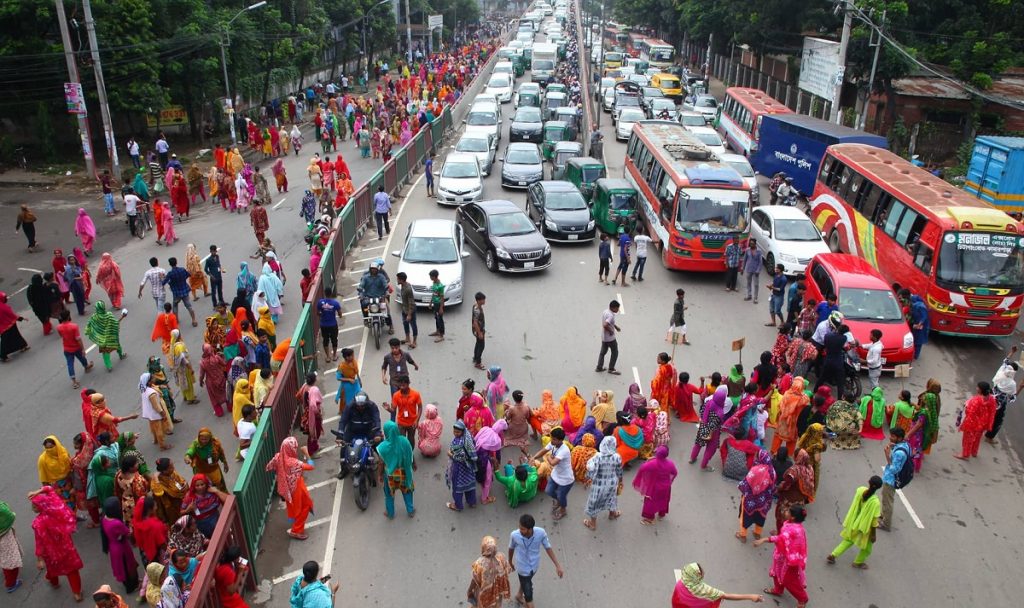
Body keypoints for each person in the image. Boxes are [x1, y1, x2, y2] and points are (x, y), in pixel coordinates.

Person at [29, 487, 84, 601]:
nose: (32, 508)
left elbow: (39, 542)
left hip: (51, 553)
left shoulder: (38, 523)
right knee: (72, 571)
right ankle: (77, 593)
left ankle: (54, 583)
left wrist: (39, 558)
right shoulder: (57, 511)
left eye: (34, 506)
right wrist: (38, 491)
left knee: (52, 568)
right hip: (66, 548)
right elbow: (50, 490)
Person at [753, 505, 809, 608]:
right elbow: (783, 538)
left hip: (791, 560)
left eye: (788, 511)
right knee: (776, 572)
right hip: (783, 555)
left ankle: (802, 598)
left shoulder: (793, 530)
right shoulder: (792, 524)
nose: (786, 511)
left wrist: (764, 540)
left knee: (789, 581)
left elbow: (780, 539)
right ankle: (778, 590)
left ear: (792, 517)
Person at [508, 513, 564, 608]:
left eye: (522, 529)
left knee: (526, 581)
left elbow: (548, 547)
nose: (520, 530)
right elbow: (511, 548)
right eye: (519, 527)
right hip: (522, 569)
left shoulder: (541, 533)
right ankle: (525, 599)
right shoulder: (514, 535)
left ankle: (519, 595)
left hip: (534, 566)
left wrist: (558, 565)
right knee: (529, 598)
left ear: (530, 529)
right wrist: (510, 562)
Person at [827, 476, 883, 569]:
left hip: (854, 521)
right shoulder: (875, 502)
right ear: (878, 488)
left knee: (849, 540)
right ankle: (858, 562)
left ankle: (833, 554)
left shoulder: (860, 490)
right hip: (863, 526)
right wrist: (873, 535)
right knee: (867, 548)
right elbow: (874, 521)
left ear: (868, 482)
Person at [266, 437, 315, 539]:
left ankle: (293, 521)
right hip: (296, 488)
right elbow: (311, 466)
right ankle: (296, 530)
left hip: (286, 489)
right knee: (305, 506)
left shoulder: (278, 457)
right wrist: (306, 453)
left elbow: (269, 467)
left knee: (293, 507)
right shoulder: (294, 462)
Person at [671, 562, 764, 607]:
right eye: (700, 572)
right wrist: (750, 596)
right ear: (696, 575)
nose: (703, 572)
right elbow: (726, 596)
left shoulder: (681, 582)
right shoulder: (704, 590)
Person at [376, 420, 416, 519]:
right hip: (404, 473)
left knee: (389, 494)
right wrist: (414, 463)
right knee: (407, 491)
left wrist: (380, 475)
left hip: (390, 476)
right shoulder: (404, 441)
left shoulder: (382, 447)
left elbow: (381, 463)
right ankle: (410, 510)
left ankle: (390, 513)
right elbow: (410, 453)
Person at [101, 496, 140, 595]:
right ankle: (133, 586)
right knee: (128, 567)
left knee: (122, 568)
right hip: (121, 547)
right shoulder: (116, 523)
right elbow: (127, 532)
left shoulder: (104, 519)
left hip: (113, 546)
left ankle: (130, 584)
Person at [633, 444, 678, 525]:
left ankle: (650, 519)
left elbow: (642, 468)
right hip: (666, 487)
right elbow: (675, 473)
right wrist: (669, 481)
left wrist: (649, 461)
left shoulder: (653, 463)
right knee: (664, 499)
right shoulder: (670, 463)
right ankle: (661, 514)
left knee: (650, 502)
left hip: (655, 487)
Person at [737, 450, 776, 542]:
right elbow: (773, 488)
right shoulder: (772, 472)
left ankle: (743, 535)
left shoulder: (755, 470)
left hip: (751, 500)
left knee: (745, 516)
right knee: (760, 516)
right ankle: (757, 533)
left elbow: (746, 483)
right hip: (763, 501)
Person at [954, 381, 997, 461]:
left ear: (980, 390)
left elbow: (970, 412)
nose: (976, 388)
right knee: (977, 438)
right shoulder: (991, 398)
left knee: (967, 439)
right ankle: (974, 452)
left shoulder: (977, 400)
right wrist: (989, 423)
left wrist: (966, 407)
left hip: (972, 422)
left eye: (977, 387)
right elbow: (992, 412)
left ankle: (965, 454)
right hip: (983, 422)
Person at [774, 449, 814, 534]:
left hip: (789, 499)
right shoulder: (809, 468)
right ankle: (788, 535)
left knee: (781, 517)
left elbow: (786, 485)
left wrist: (778, 488)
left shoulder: (794, 471)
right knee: (794, 519)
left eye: (795, 455)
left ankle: (780, 534)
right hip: (801, 499)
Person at [987, 347, 1021, 445]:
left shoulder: (1001, 371)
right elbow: (1012, 397)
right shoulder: (1012, 384)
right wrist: (1021, 387)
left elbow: (1005, 361)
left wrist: (1012, 352)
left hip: (990, 397)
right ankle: (989, 437)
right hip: (999, 405)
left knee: (986, 414)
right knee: (997, 421)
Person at [467, 535, 511, 608]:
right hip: (497, 592)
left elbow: (474, 580)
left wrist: (470, 590)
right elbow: (507, 571)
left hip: (484, 592)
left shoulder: (480, 563)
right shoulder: (501, 557)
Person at [691, 386, 728, 471]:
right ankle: (703, 466)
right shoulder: (720, 412)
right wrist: (710, 434)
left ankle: (692, 458)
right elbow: (714, 425)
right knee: (710, 449)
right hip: (713, 433)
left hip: (703, 427)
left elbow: (701, 412)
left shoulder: (708, 403)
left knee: (698, 444)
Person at [184, 428, 229, 493]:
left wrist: (225, 463)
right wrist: (187, 456)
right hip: (201, 471)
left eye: (206, 439)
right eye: (202, 439)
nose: (204, 441)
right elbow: (191, 450)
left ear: (210, 438)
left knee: (218, 485)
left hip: (214, 469)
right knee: (203, 487)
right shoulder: (196, 444)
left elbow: (221, 453)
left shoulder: (215, 443)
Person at [447, 420, 479, 511]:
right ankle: (472, 502)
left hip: (459, 468)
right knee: (469, 484)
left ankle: (458, 506)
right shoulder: (467, 437)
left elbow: (459, 458)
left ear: (462, 431)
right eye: (454, 431)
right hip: (469, 468)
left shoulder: (459, 443)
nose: (455, 434)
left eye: (458, 432)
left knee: (457, 487)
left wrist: (450, 454)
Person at [57, 310, 93, 388]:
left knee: (70, 364)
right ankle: (86, 367)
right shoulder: (74, 326)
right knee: (82, 357)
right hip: (76, 347)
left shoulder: (59, 327)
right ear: (68, 317)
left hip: (67, 349)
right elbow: (78, 339)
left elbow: (61, 336)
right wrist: (83, 349)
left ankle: (74, 381)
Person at [162, 257, 198, 327]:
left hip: (176, 293)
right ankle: (194, 320)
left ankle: (176, 320)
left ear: (170, 264)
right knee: (189, 306)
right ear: (176, 262)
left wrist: (164, 278)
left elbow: (164, 283)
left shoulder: (170, 274)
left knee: (175, 306)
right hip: (184, 291)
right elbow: (188, 275)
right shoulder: (182, 269)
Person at [0, 291, 29, 363]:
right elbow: (12, 315)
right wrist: (22, 318)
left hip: (3, 327)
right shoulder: (4, 307)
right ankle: (2, 355)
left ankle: (22, 346)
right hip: (8, 325)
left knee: (11, 338)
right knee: (9, 339)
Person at [0, 501, 22, 594]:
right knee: (10, 561)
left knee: (3, 557)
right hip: (4, 538)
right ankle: (11, 584)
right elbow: (9, 515)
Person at [596, 300, 621, 375]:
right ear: (613, 308)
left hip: (604, 337)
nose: (618, 310)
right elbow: (605, 325)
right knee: (615, 352)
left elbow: (609, 322)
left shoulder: (606, 311)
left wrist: (615, 327)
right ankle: (611, 368)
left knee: (602, 352)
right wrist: (611, 331)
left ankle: (599, 367)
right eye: (617, 308)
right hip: (610, 339)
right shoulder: (611, 315)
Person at [394, 272, 418, 349]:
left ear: (401, 280)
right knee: (405, 324)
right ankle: (407, 338)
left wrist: (409, 314)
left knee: (413, 325)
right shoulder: (403, 286)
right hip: (404, 309)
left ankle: (414, 342)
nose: (397, 280)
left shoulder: (408, 289)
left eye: (398, 279)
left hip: (410, 311)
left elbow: (411, 303)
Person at [471, 291, 487, 369]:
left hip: (478, 330)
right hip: (478, 330)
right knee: (481, 346)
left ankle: (475, 357)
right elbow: (475, 322)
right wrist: (480, 333)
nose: (484, 301)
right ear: (478, 300)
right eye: (483, 300)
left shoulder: (475, 306)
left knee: (478, 343)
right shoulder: (477, 310)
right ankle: (478, 362)